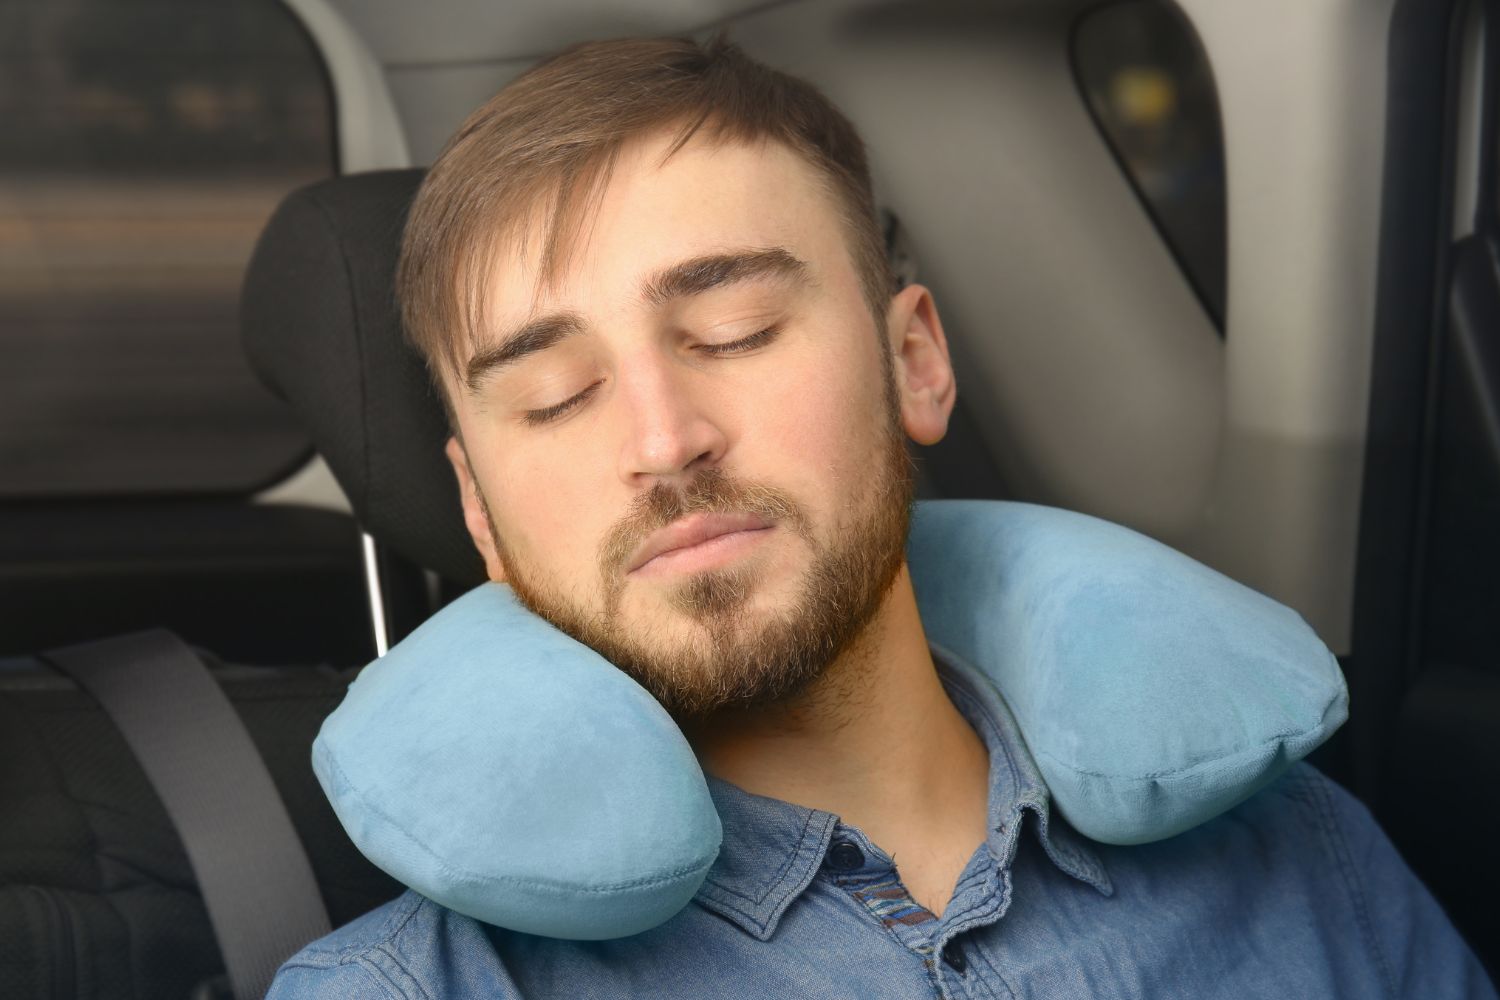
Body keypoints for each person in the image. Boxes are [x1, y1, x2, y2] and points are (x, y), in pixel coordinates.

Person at [270, 36, 1495, 999]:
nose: (662, 439)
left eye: (734, 331)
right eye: (556, 395)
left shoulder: (1301, 857)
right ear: (478, 509)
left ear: (913, 360)